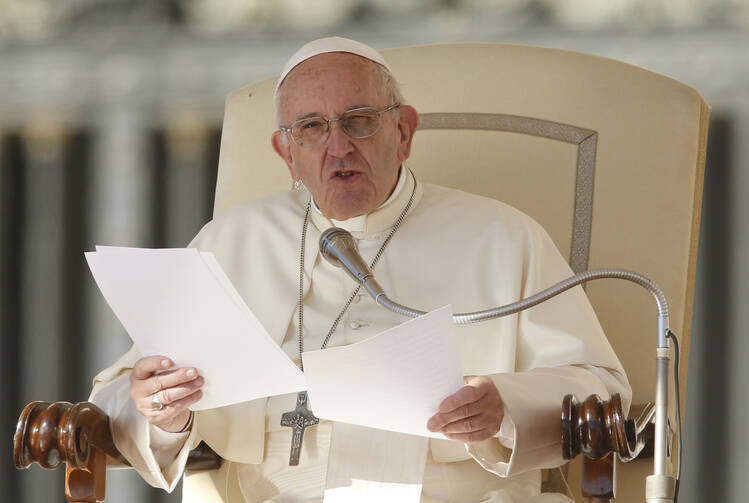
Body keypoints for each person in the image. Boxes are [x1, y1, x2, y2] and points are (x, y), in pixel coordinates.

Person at [89, 37, 631, 503]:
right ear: (286, 152)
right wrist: (163, 412)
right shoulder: (232, 241)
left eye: (359, 121)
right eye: (312, 128)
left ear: (404, 132)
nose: (338, 146)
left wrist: (505, 407)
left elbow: (602, 390)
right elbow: (124, 394)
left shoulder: (504, 237)